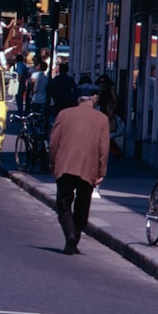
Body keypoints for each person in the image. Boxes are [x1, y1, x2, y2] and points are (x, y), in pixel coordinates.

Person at [49, 83, 110, 255]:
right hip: (88, 169)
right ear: (95, 98)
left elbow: (54, 142)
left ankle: (69, 234)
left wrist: (52, 162)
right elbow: (103, 148)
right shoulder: (102, 119)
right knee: (83, 206)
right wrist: (101, 171)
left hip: (65, 165)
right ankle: (74, 237)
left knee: (63, 204)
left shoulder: (64, 114)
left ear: (78, 98)